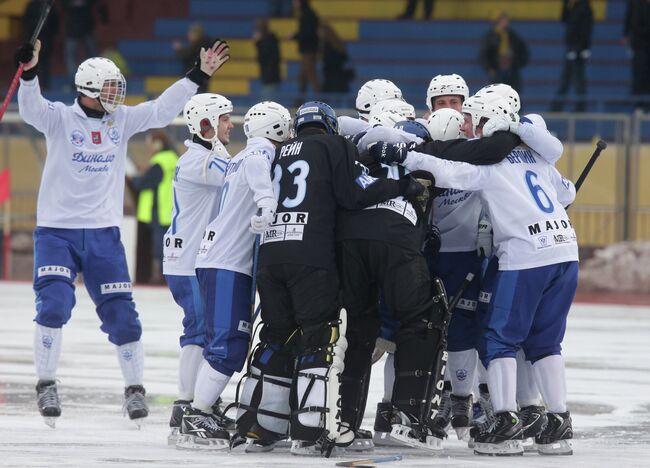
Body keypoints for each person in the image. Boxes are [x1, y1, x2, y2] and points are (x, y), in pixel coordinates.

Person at [15, 36, 230, 428]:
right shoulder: (60, 118)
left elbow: (163, 109)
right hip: (56, 233)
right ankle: (46, 383)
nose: (117, 93)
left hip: (103, 234)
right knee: (54, 306)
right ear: (88, 91)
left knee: (124, 318)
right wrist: (30, 73)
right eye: (110, 88)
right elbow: (30, 109)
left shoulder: (122, 120)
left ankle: (134, 390)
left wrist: (199, 74)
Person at [371, 96, 578, 457]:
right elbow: (567, 192)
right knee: (546, 342)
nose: (467, 126)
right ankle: (558, 420)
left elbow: (446, 172)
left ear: (486, 119)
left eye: (471, 119)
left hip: (525, 255)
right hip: (565, 251)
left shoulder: (489, 164)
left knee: (498, 339)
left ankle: (505, 419)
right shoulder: (536, 156)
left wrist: (404, 155)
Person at [233, 101, 423, 456]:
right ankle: (308, 432)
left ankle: (260, 427)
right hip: (310, 256)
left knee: (275, 338)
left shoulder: (277, 151)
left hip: (271, 255)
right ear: (330, 126)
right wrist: (401, 187)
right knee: (318, 340)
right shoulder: (334, 145)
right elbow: (355, 194)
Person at [177, 101, 292, 450]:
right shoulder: (258, 154)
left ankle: (201, 409)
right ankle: (196, 414)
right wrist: (267, 205)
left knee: (225, 343)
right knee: (228, 346)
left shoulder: (240, 155)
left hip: (220, 259)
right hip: (227, 262)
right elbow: (261, 181)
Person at [163, 93, 234, 445]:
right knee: (199, 328)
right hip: (187, 260)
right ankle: (186, 406)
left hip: (191, 258)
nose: (231, 125)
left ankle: (192, 403)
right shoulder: (199, 162)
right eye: (224, 119)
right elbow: (238, 178)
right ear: (206, 125)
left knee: (202, 329)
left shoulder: (202, 157)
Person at [127, 130, 178, 284]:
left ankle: (159, 277)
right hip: (171, 209)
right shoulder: (173, 158)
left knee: (158, 246)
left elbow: (147, 183)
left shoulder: (160, 161)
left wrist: (134, 179)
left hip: (159, 209)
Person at [550, 0, 593, 112]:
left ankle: (579, 107)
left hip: (577, 49)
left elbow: (586, 29)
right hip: (571, 47)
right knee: (566, 78)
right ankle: (556, 107)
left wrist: (582, 49)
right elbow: (564, 19)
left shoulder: (585, 7)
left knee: (578, 79)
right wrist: (565, 4)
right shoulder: (573, 7)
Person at [478, 12, 529, 92]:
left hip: (511, 69)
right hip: (497, 69)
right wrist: (489, 68)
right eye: (504, 21)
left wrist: (517, 64)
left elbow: (523, 51)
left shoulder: (512, 35)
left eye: (507, 21)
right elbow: (484, 54)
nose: (506, 23)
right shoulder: (491, 36)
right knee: (496, 92)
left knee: (513, 92)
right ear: (498, 22)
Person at [62, 0, 107, 86]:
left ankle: (86, 81)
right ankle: (84, 81)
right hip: (81, 28)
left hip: (78, 28)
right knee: (88, 56)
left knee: (75, 56)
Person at [22, 0, 59, 90]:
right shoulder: (31, 5)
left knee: (44, 63)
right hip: (33, 40)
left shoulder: (50, 6)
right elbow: (25, 22)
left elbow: (55, 22)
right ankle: (33, 86)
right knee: (33, 63)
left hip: (46, 40)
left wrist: (52, 33)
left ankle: (44, 85)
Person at [623, 0, 650, 112]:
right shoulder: (634, 3)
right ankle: (639, 104)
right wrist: (625, 34)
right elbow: (629, 18)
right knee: (639, 73)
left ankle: (647, 103)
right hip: (639, 43)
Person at [291, 0, 320, 95]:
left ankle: (322, 101)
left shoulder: (308, 15)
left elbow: (308, 33)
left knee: (311, 76)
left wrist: (295, 36)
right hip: (307, 51)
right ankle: (299, 102)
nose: (293, 3)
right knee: (303, 77)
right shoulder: (306, 14)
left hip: (309, 51)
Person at [174, 23, 213, 92]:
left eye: (191, 33)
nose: (189, 35)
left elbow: (185, 57)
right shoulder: (206, 45)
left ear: (196, 34)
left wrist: (179, 50)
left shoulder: (196, 46)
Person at [320, 22, 354, 95]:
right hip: (340, 78)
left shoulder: (327, 45)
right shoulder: (338, 44)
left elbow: (329, 61)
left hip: (333, 78)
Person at [253, 18, 281, 100]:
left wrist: (258, 42)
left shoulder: (268, 39)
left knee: (267, 102)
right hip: (269, 75)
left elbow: (264, 56)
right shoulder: (272, 38)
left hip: (270, 75)